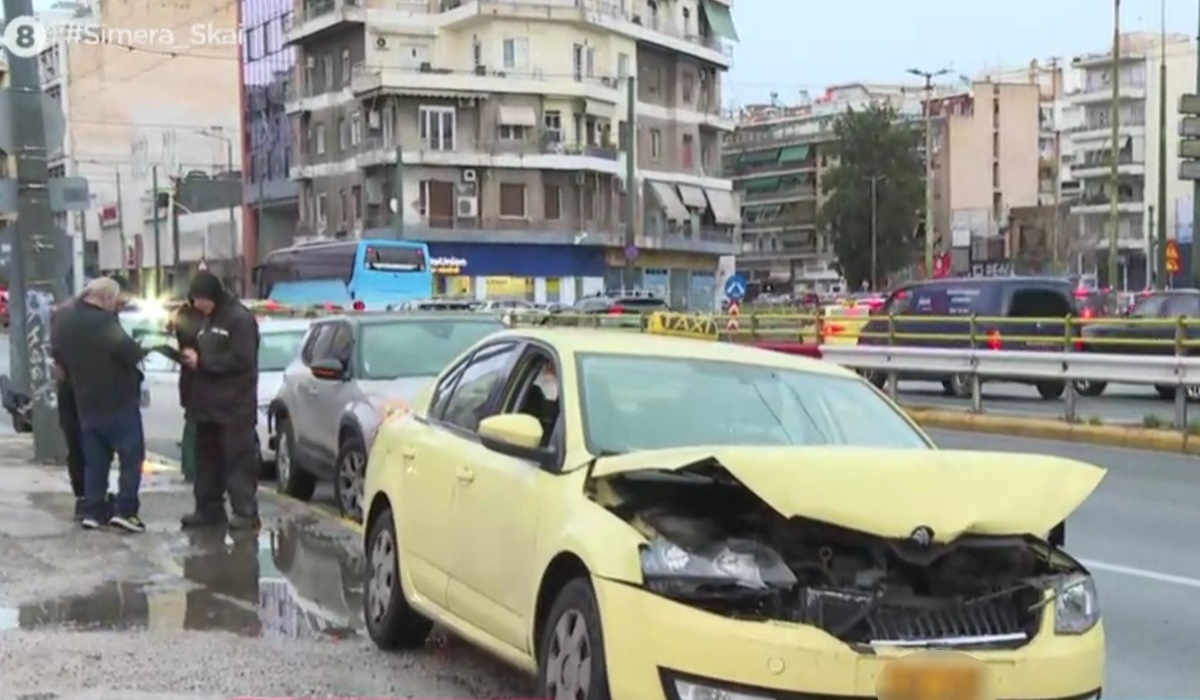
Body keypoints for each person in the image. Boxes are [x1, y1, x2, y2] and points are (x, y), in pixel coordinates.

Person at [53, 277, 152, 532]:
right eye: (115, 301)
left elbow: (59, 362)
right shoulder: (104, 321)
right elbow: (127, 352)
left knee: (95, 461)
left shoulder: (65, 321)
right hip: (118, 400)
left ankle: (93, 510)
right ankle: (126, 510)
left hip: (85, 402)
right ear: (106, 298)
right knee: (131, 456)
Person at [179, 272, 261, 530]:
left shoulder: (239, 320)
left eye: (199, 300)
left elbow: (242, 359)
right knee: (207, 461)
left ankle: (245, 512)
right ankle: (208, 509)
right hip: (205, 406)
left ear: (212, 296)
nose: (196, 305)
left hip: (234, 406)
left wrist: (203, 362)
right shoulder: (204, 320)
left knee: (238, 460)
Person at [49, 294, 88, 520]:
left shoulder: (64, 315)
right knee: (85, 445)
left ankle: (84, 496)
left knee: (77, 446)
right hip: (82, 391)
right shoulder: (80, 317)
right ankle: (89, 496)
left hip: (73, 391)